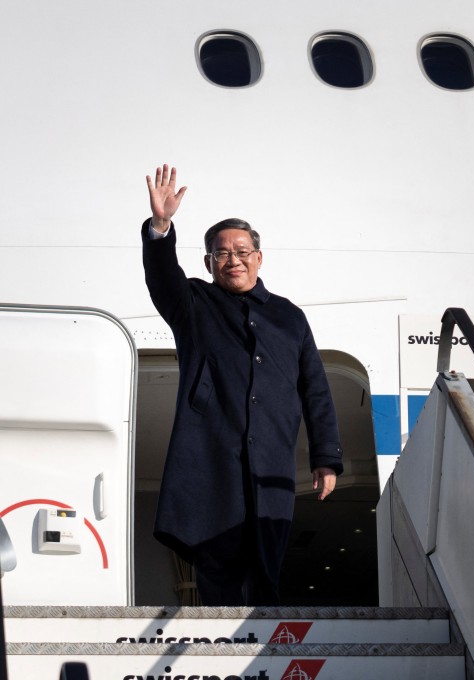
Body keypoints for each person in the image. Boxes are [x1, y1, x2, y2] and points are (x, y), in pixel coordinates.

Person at [142, 164, 343, 606]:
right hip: (210, 458)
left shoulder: (289, 316)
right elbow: (161, 278)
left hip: (270, 458)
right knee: (218, 562)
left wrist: (326, 457)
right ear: (209, 262)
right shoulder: (193, 302)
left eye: (242, 250)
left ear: (259, 257)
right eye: (221, 253)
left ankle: (263, 658)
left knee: (265, 562)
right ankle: (224, 653)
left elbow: (315, 389)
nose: (233, 259)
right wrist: (160, 227)